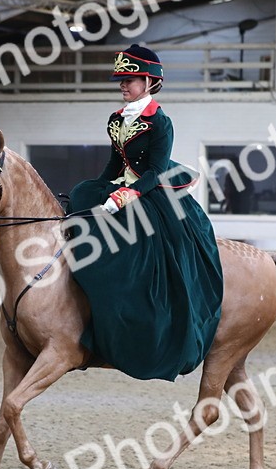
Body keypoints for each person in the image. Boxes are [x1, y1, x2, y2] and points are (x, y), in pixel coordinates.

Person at [66, 44, 224, 381]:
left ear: (149, 82)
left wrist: (125, 197)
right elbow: (113, 165)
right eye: (120, 81)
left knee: (155, 250)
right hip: (121, 187)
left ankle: (150, 317)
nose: (123, 85)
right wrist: (95, 191)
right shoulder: (116, 120)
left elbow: (154, 172)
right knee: (81, 194)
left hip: (151, 192)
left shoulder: (161, 122)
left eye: (129, 80)